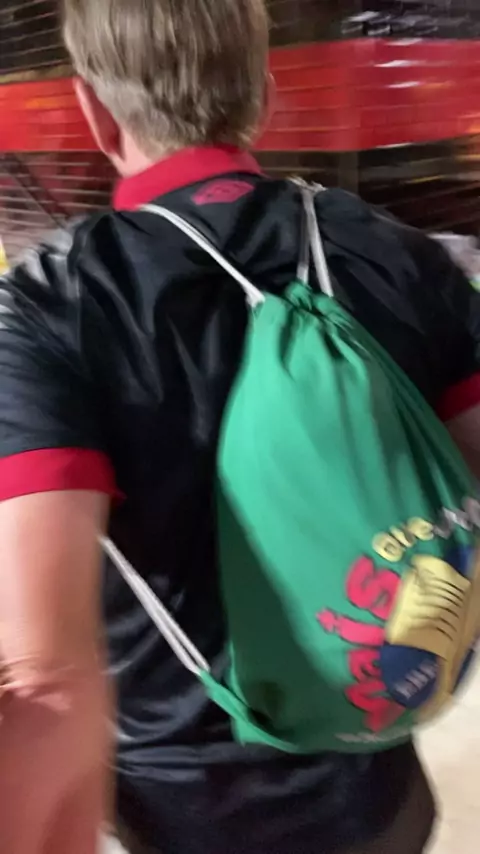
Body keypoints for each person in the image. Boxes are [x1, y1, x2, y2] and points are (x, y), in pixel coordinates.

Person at [0, 1, 480, 852]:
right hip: (377, 783)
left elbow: (50, 677)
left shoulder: (51, 304)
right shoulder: (400, 254)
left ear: (94, 109)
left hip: (191, 810)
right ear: (262, 92)